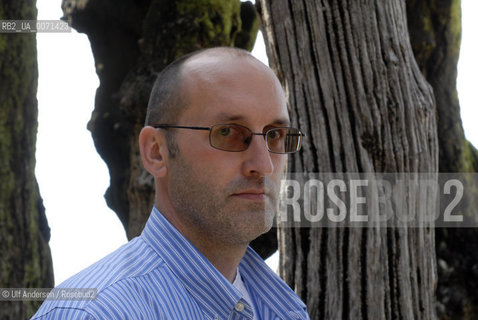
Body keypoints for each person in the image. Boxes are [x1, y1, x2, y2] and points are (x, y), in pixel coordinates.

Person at [31, 47, 309, 320]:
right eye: (228, 133)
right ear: (156, 151)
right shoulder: (93, 313)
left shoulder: (284, 308)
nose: (264, 165)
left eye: (275, 135)